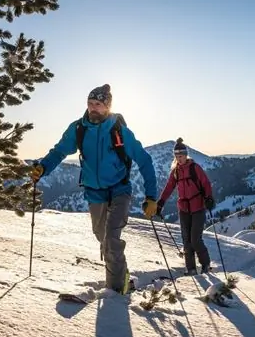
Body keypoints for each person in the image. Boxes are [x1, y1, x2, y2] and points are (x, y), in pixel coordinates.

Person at [29, 84, 158, 294]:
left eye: (98, 104)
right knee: (102, 237)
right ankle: (122, 276)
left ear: (107, 106)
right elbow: (60, 151)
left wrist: (151, 197)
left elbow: (145, 160)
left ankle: (117, 293)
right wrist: (43, 167)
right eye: (90, 104)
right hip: (94, 193)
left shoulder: (119, 131)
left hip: (119, 190)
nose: (93, 108)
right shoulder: (78, 129)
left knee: (111, 240)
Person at [156, 138, 216, 275]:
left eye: (181, 156)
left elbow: (206, 183)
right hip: (183, 209)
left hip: (198, 208)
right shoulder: (176, 171)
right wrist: (161, 202)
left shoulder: (195, 168)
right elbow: (169, 187)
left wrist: (209, 198)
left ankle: (205, 264)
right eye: (177, 156)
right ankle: (191, 269)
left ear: (186, 155)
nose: (179, 158)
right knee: (186, 240)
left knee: (195, 239)